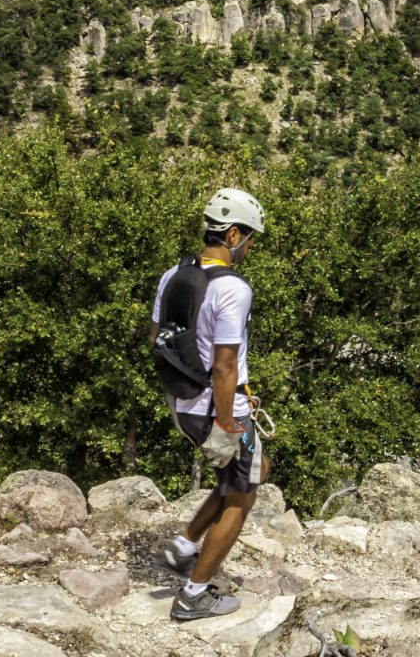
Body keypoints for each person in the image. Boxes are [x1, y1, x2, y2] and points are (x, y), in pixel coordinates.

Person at [149, 188, 269, 621]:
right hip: (220, 406)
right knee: (242, 497)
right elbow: (224, 366)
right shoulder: (233, 288)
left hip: (183, 401)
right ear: (233, 233)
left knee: (253, 472)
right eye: (249, 238)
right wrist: (226, 422)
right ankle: (193, 594)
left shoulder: (172, 276)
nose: (249, 247)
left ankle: (184, 546)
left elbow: (156, 340)